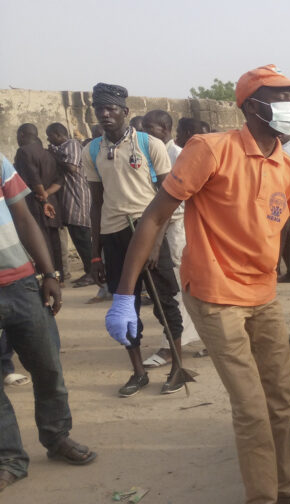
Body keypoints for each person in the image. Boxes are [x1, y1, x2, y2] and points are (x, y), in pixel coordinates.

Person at [104, 64, 290, 504]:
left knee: (282, 399)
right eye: (281, 96)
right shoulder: (210, 151)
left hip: (262, 294)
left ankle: (286, 490)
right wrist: (125, 295)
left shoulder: (288, 168)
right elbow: (154, 217)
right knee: (252, 407)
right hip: (213, 295)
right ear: (252, 106)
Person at [0, 154, 97, 497]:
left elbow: (24, 218)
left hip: (22, 283)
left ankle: (57, 438)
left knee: (48, 366)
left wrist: (50, 273)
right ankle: (9, 459)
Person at [83, 83, 186, 397]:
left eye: (111, 108)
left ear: (125, 112)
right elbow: (96, 204)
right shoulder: (91, 151)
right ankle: (138, 371)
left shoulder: (148, 144)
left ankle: (178, 367)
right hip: (114, 235)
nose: (105, 114)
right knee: (124, 305)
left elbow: (169, 198)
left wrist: (155, 243)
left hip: (148, 229)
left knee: (164, 301)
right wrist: (95, 255)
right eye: (100, 109)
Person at [141, 112, 202, 368]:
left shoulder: (177, 155)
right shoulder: (149, 151)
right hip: (157, 225)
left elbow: (176, 199)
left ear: (165, 128)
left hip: (175, 227)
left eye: (149, 128)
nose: (145, 134)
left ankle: (171, 346)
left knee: (174, 287)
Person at [45, 122, 94, 287]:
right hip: (69, 201)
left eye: (50, 136)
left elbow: (72, 167)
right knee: (78, 238)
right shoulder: (61, 148)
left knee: (83, 238)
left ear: (58, 134)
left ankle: (93, 272)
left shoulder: (71, 144)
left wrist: (54, 155)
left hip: (78, 199)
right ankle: (89, 271)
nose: (48, 139)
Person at [13, 124, 63, 282]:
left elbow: (33, 178)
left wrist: (42, 197)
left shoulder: (23, 152)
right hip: (52, 199)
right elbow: (60, 180)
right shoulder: (48, 154)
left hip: (36, 201)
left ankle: (47, 274)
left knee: (40, 238)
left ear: (21, 135)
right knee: (54, 239)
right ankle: (58, 275)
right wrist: (47, 195)